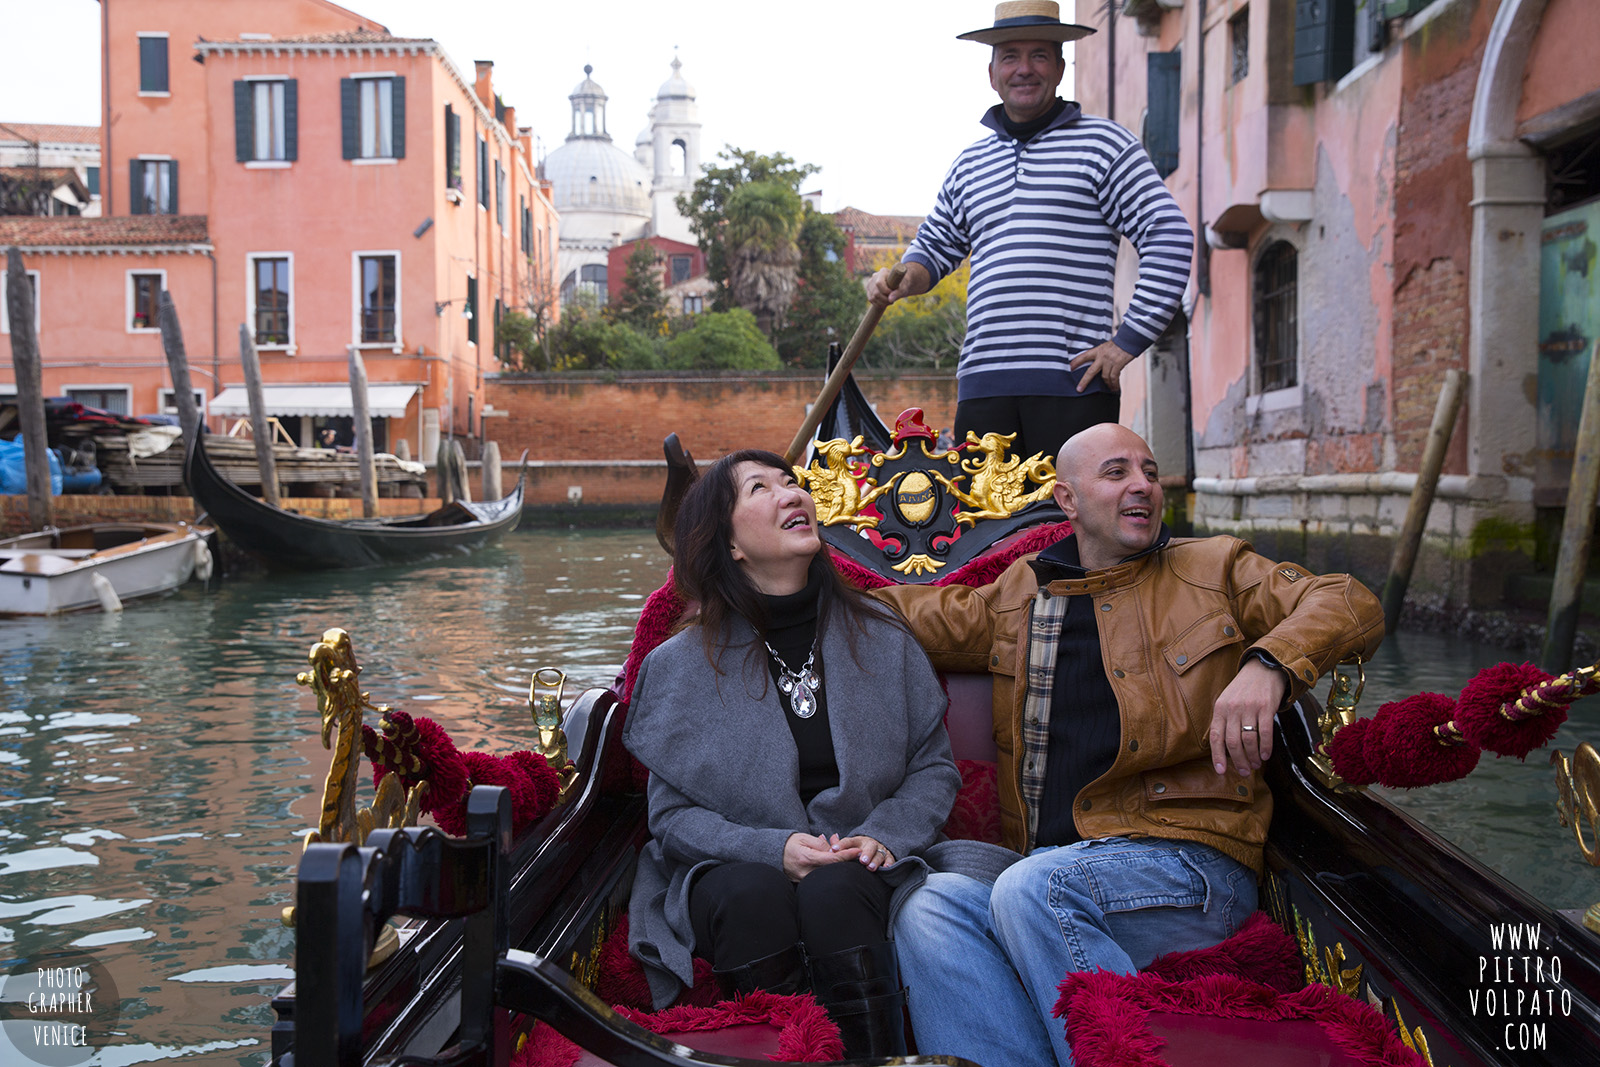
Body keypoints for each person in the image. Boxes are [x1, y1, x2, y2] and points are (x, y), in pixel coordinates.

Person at [874, 423, 1385, 1065]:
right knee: (929, 905)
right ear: (1068, 500)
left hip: (1189, 865)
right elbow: (902, 615)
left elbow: (1348, 600)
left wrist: (1270, 665)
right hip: (1051, 874)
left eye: (1148, 470)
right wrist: (756, 595)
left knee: (1035, 888)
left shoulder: (1215, 568)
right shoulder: (1021, 593)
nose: (1142, 484)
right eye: (1116, 473)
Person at [623, 449, 1012, 1057]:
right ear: (730, 545)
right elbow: (673, 821)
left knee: (837, 889)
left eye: (793, 483)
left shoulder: (881, 634)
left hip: (867, 855)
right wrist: (771, 849)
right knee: (751, 893)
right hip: (730, 868)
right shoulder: (678, 666)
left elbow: (932, 768)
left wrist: (884, 835)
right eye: (760, 488)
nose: (791, 494)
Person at [866, 1, 1194, 465]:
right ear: (992, 72)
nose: (1024, 69)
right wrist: (896, 280)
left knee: (1073, 532)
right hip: (983, 387)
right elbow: (933, 250)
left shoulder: (1104, 145)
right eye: (1011, 56)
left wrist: (1127, 342)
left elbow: (1169, 235)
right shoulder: (969, 164)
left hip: (1072, 389)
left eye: (1039, 55)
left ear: (1060, 67)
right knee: (987, 537)